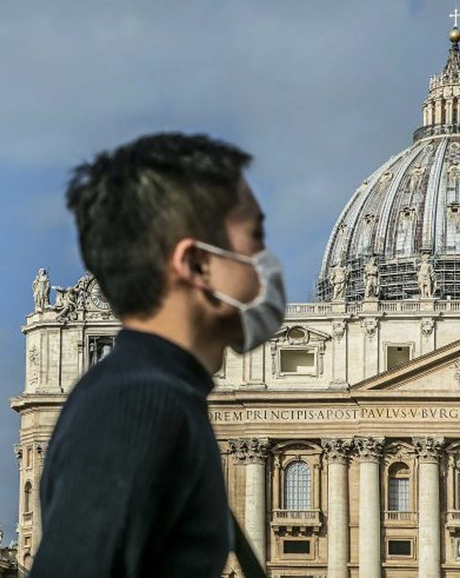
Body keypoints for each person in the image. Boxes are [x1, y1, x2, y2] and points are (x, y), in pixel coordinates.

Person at [30, 133, 286, 577]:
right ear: (197, 264)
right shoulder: (138, 403)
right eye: (255, 238)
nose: (267, 262)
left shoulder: (159, 393)